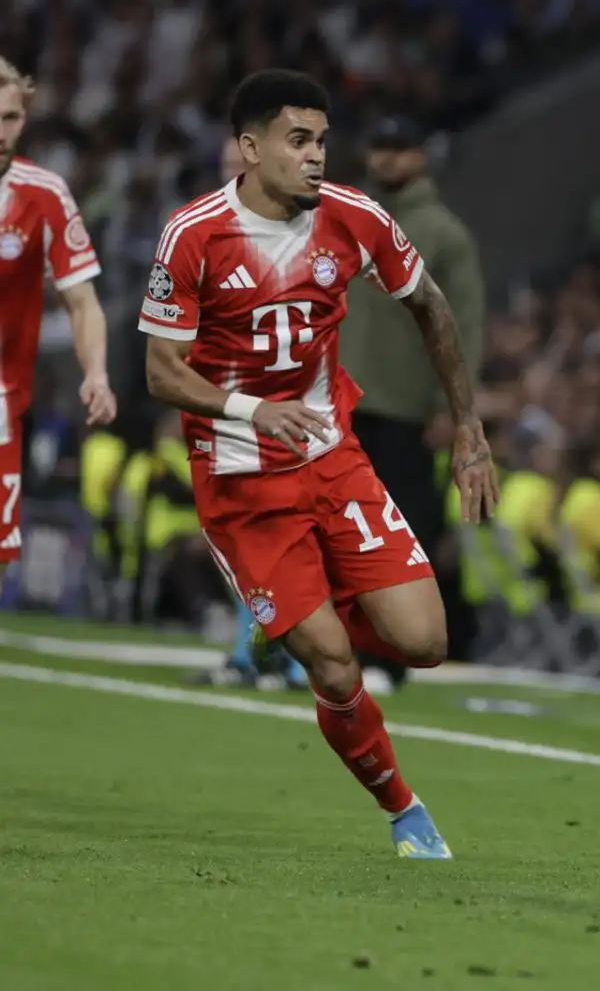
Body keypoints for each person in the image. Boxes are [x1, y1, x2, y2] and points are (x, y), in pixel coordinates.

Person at [137, 70, 498, 859]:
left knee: (427, 642)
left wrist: (469, 427)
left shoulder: (356, 219)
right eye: (298, 140)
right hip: (240, 479)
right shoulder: (194, 234)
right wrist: (251, 410)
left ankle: (302, 614)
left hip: (333, 457)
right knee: (335, 670)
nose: (316, 157)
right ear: (250, 146)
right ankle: (406, 812)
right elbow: (162, 370)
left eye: (323, 141)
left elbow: (430, 302)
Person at [339, 115, 485, 670]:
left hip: (405, 406)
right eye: (378, 147)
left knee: (400, 533)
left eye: (398, 149)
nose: (386, 160)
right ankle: (347, 648)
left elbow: (464, 324)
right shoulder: (350, 219)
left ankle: (399, 652)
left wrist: (455, 407)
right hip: (344, 402)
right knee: (344, 529)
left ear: (422, 155)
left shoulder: (444, 233)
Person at [0, 57, 116, 580]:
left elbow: (83, 301)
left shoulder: (44, 195)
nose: (2, 133)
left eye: (10, 118)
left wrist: (96, 372)